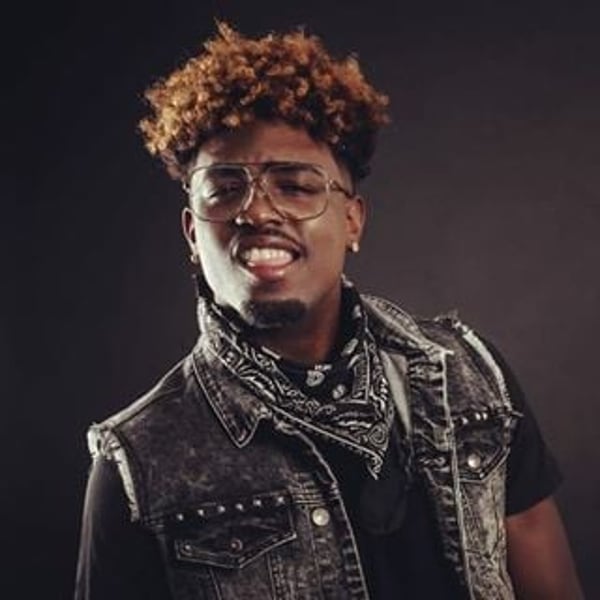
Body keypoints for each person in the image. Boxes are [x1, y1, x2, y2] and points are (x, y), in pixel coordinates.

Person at [74, 22, 583, 600]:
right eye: (225, 188)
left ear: (352, 221)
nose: (257, 212)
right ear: (193, 233)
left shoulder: (468, 376)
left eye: (295, 185)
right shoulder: (140, 462)